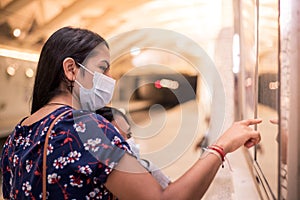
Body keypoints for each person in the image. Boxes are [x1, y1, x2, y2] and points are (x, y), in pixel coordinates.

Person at [0, 26, 262, 200]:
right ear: (71, 69)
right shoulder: (85, 128)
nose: (110, 78)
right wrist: (221, 146)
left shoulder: (16, 138)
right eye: (103, 68)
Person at [96, 106, 171, 189]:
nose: (128, 142)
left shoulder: (147, 169)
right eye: (118, 139)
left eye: (128, 135)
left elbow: (171, 194)